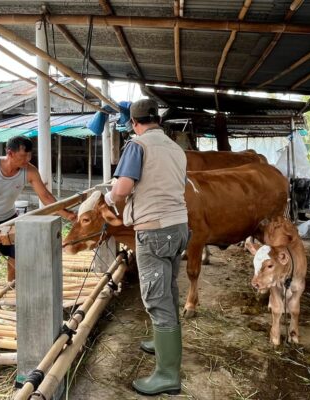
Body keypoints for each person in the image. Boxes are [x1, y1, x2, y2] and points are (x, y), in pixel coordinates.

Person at [105, 98, 189, 396]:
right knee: (169, 288)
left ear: (134, 123)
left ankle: (168, 375)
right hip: (179, 227)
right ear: (158, 120)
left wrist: (111, 198)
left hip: (153, 230)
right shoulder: (175, 148)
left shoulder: (137, 146)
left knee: (156, 297)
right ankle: (161, 340)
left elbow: (123, 188)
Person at [0, 135, 76, 292]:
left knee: (16, 257)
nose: (27, 159)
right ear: (10, 153)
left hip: (10, 219)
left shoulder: (29, 171)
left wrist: (67, 215)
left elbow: (45, 196)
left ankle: (12, 291)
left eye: (30, 155)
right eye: (24, 155)